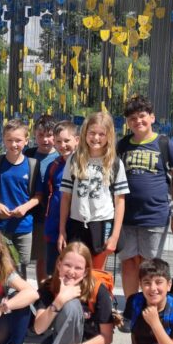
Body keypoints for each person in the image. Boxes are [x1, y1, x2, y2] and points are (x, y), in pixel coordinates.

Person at [116, 95, 173, 296]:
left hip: (154, 215)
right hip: (126, 216)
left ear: (152, 118)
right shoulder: (122, 145)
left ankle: (149, 304)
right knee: (128, 262)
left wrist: (168, 199)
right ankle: (132, 304)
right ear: (127, 122)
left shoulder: (164, 144)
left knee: (148, 265)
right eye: (132, 118)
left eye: (142, 116)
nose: (138, 121)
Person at [32, 242, 115, 344]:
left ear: (85, 271)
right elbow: (38, 328)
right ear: (59, 264)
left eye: (78, 268)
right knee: (70, 305)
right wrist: (60, 300)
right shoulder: (49, 286)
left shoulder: (98, 290)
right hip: (64, 343)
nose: (71, 272)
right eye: (67, 265)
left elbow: (107, 337)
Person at [59, 111, 128, 271]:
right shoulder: (74, 159)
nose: (96, 138)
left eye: (101, 134)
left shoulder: (114, 163)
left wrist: (115, 236)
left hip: (102, 223)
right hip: (77, 222)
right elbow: (66, 197)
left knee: (96, 273)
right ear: (85, 133)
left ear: (109, 136)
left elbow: (120, 201)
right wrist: (62, 230)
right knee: (75, 270)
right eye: (92, 133)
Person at [0, 118, 40, 279]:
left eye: (18, 140)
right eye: (9, 140)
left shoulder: (32, 165)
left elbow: (38, 196)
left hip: (23, 225)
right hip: (0, 224)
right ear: (3, 140)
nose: (14, 144)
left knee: (22, 265)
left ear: (26, 141)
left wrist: (25, 207)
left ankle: (20, 293)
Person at [25, 114, 60, 279]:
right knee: (41, 256)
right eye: (41, 135)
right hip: (33, 213)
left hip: (55, 213)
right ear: (34, 135)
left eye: (49, 135)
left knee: (56, 256)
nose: (45, 140)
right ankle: (41, 291)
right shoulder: (28, 154)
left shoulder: (62, 156)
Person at [42, 120, 78, 275]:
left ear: (77, 140)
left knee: (74, 271)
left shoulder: (84, 164)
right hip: (55, 227)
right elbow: (48, 196)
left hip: (76, 227)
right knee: (54, 272)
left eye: (67, 141)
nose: (63, 145)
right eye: (58, 141)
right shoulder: (53, 166)